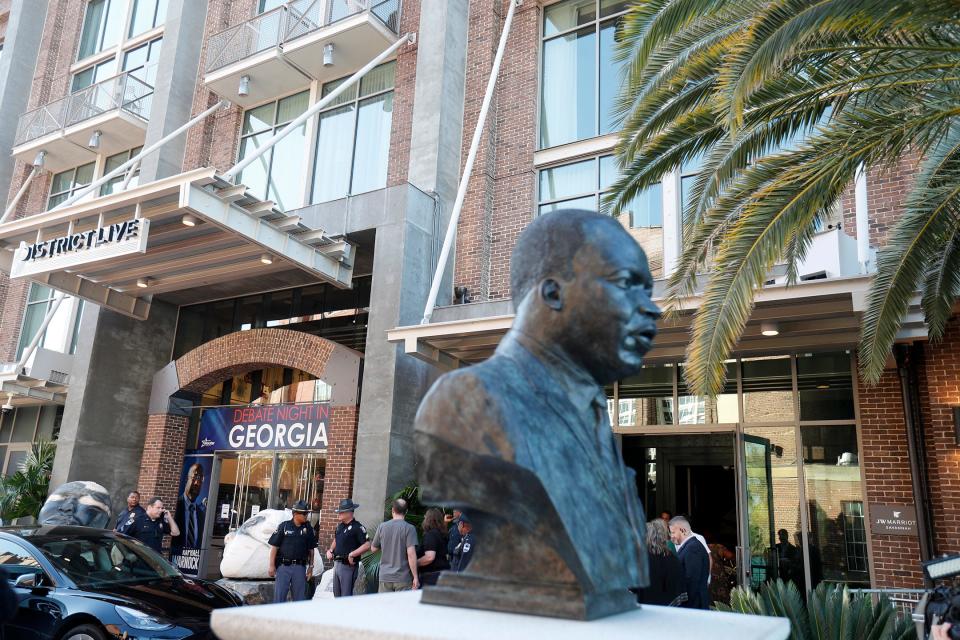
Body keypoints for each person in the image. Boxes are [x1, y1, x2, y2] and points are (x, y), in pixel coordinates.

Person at [414, 211, 659, 616]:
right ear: (552, 293)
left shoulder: (593, 413)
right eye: (626, 284)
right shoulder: (462, 404)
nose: (651, 309)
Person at [267, 500, 316, 602]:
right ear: (295, 514)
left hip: (300, 567)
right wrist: (271, 565)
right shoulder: (284, 526)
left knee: (299, 599)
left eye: (307, 513)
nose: (306, 515)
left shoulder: (308, 528)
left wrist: (311, 567)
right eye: (304, 513)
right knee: (279, 598)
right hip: (284, 567)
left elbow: (311, 549)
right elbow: (274, 547)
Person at [370, 499, 419, 592]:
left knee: (385, 606)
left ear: (393, 510)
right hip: (403, 578)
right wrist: (415, 577)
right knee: (401, 606)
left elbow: (373, 549)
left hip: (385, 577)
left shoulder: (382, 527)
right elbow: (411, 554)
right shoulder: (409, 528)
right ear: (406, 511)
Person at [325, 499, 370, 597]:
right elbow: (336, 540)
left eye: (342, 511)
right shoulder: (340, 527)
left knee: (345, 595)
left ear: (349, 512)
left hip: (348, 566)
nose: (339, 513)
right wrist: (331, 550)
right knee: (336, 594)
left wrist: (352, 554)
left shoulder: (357, 527)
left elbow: (367, 545)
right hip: (337, 564)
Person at [637, 519, 681, 606]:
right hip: (668, 611)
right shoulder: (672, 558)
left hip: (645, 610)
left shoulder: (641, 559)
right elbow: (678, 588)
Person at [669, 516, 709, 609]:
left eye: (673, 532)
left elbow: (692, 580)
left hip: (694, 606)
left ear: (682, 530)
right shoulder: (690, 546)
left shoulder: (692, 548)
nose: (671, 536)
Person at [173, 463, 206, 553]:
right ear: (186, 480)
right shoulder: (175, 506)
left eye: (200, 479)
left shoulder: (201, 514)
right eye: (194, 477)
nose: (197, 483)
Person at [418, 508, 450, 586]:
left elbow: (430, 557)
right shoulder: (442, 534)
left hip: (431, 578)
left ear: (428, 519)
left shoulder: (430, 535)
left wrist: (414, 563)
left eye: (425, 517)